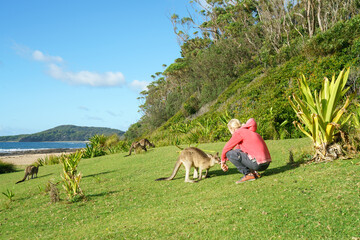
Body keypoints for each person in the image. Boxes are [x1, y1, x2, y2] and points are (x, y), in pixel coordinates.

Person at [221, 118, 271, 184]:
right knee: (237, 152)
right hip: (266, 164)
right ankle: (254, 173)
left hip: (257, 164)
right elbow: (237, 150)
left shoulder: (238, 132)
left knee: (229, 153)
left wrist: (222, 162)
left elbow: (226, 148)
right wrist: (228, 160)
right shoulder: (249, 131)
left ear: (232, 129)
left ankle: (248, 174)